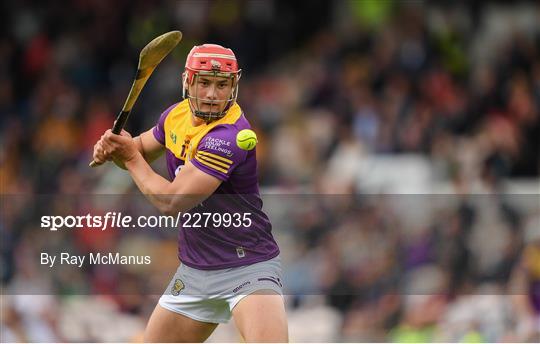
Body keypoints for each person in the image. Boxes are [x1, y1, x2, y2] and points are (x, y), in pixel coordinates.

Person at [92, 43, 288, 342]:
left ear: (233, 86)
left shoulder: (229, 136)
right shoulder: (176, 115)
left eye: (222, 85)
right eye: (205, 83)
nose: (212, 94)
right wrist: (115, 147)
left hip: (247, 267)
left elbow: (172, 201)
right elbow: (139, 151)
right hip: (195, 270)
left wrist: (129, 157)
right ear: (188, 81)